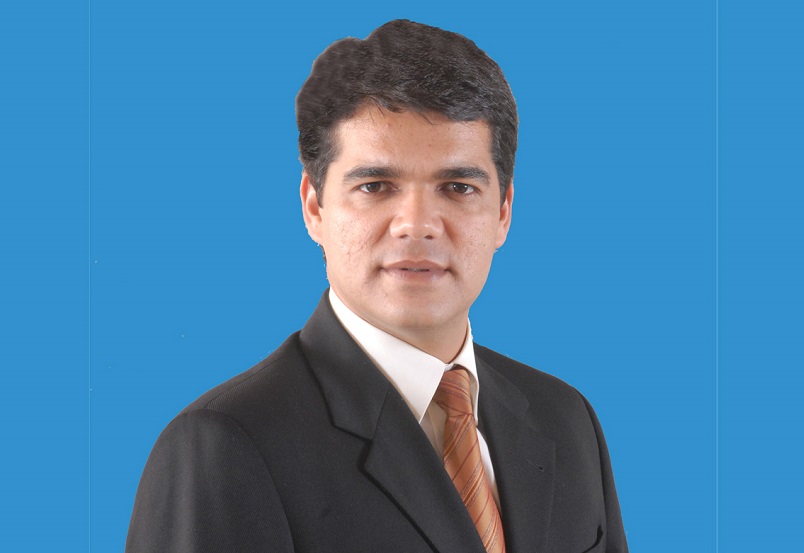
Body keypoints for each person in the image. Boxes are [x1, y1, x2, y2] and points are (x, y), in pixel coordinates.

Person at [126, 19, 627, 553]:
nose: (417, 225)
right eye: (376, 186)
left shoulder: (566, 419)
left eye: (458, 187)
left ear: (503, 211)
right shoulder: (224, 445)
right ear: (315, 207)